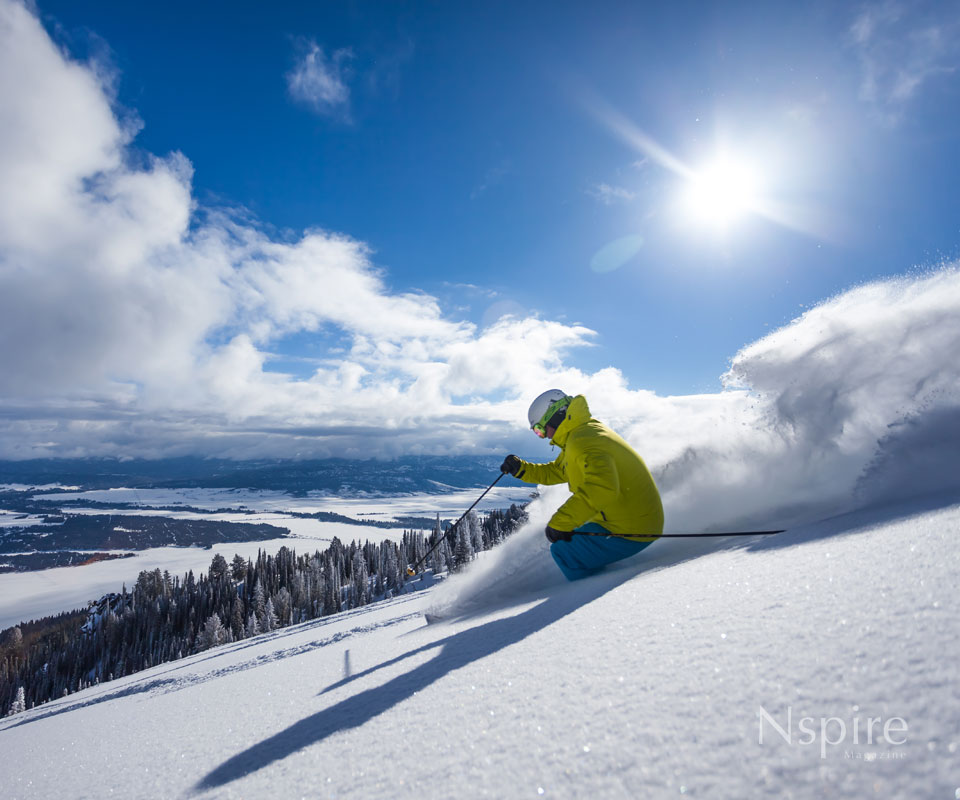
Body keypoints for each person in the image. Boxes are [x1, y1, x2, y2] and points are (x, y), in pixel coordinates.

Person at [501, 389, 664, 581]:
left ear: (555, 417)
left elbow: (602, 488)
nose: (543, 437)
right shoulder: (582, 433)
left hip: (632, 528)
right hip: (628, 518)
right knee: (570, 540)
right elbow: (558, 470)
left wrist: (561, 522)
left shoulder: (584, 441)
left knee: (565, 553)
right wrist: (521, 469)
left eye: (540, 429)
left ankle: (593, 599)